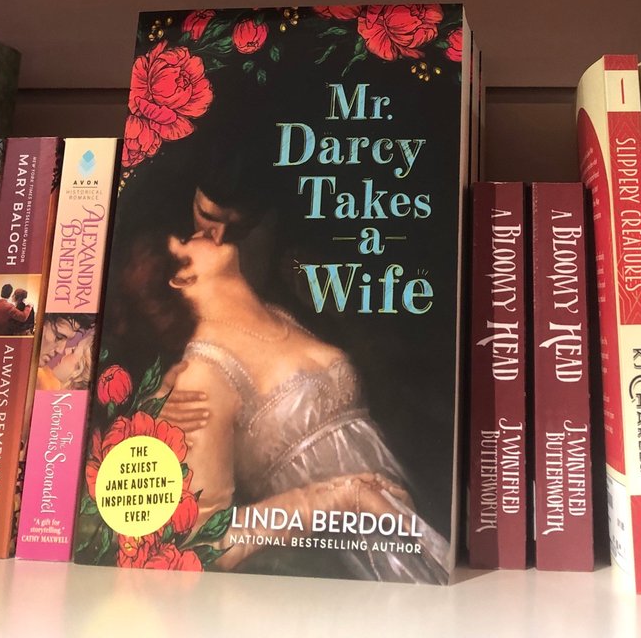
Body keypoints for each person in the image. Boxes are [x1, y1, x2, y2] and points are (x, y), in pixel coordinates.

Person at [142, 224, 449, 581]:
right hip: (354, 560)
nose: (208, 230)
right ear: (180, 278)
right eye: (186, 235)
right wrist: (340, 498)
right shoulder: (200, 375)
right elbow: (204, 541)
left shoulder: (280, 312)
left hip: (413, 519)